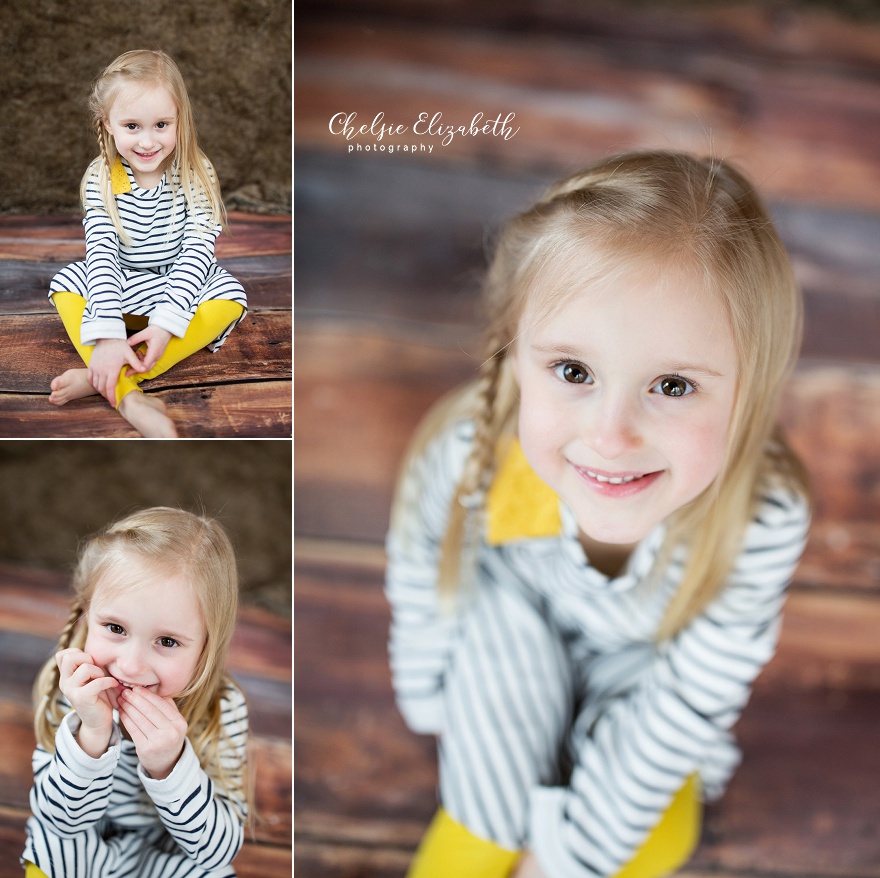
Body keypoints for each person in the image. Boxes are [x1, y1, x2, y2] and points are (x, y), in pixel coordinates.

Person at [385, 150, 811, 878]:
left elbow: (689, 695)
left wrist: (562, 862)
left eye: (673, 385)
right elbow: (424, 568)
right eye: (574, 372)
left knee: (655, 835)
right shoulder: (473, 452)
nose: (611, 437)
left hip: (644, 667)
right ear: (513, 350)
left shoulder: (761, 515)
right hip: (510, 630)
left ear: (752, 386)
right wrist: (432, 702)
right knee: (483, 825)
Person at [22, 507, 248, 878]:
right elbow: (60, 822)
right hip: (84, 844)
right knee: (50, 847)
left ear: (206, 647)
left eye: (167, 641)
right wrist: (91, 734)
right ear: (84, 614)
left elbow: (216, 852)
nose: (130, 666)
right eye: (115, 627)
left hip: (165, 853)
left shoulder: (223, 708)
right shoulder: (74, 688)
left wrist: (169, 764)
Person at [48, 50, 248, 438]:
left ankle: (105, 380)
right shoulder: (102, 176)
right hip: (119, 282)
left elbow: (196, 252)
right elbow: (102, 254)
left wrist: (165, 321)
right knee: (66, 282)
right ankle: (125, 390)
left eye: (161, 124)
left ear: (179, 120)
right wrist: (106, 333)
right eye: (132, 126)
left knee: (230, 295)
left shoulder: (195, 171)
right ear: (107, 123)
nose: (147, 141)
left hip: (177, 281)